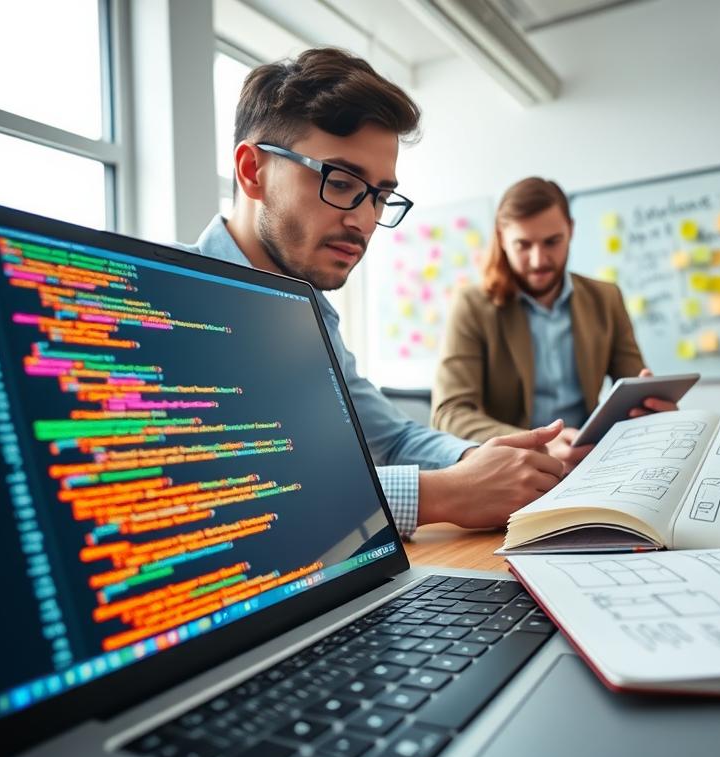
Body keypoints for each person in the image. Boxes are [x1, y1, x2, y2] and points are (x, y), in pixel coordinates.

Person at [189, 48, 565, 539]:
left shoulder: (309, 314)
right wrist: (442, 493)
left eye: (380, 196)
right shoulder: (161, 296)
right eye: (342, 183)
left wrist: (486, 462)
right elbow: (217, 494)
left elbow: (393, 437)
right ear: (251, 171)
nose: (365, 221)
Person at [431, 176, 676, 470]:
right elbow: (449, 413)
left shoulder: (606, 298)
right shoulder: (470, 305)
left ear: (570, 230)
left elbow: (633, 386)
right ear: (502, 238)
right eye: (523, 245)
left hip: (591, 463)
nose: (538, 260)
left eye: (552, 242)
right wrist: (537, 443)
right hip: (511, 471)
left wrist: (651, 409)